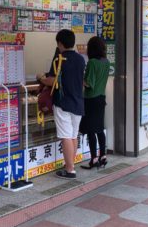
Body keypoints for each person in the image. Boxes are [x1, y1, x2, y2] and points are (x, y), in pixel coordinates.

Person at [36, 29, 85, 179]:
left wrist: (41, 78)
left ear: (59, 43)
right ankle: (70, 164)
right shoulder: (81, 59)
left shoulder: (59, 59)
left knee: (65, 136)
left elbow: (52, 80)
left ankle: (70, 170)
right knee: (73, 135)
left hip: (63, 103)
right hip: (78, 103)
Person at [79, 36, 110, 170]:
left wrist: (79, 78)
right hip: (101, 98)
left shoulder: (92, 62)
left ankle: (93, 159)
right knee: (99, 128)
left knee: (91, 130)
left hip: (90, 99)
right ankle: (103, 156)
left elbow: (89, 84)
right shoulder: (106, 62)